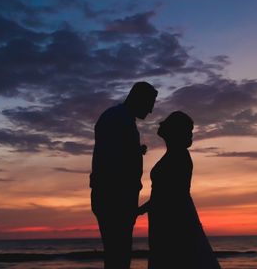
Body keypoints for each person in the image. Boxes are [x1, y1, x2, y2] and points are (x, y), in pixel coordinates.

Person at [138, 111, 221, 269]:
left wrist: (139, 211)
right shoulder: (174, 155)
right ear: (177, 132)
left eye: (191, 132)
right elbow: (164, 195)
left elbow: (171, 196)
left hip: (174, 218)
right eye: (187, 132)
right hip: (166, 216)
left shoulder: (180, 157)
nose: (190, 136)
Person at [90, 81, 158, 269]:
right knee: (118, 254)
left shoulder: (120, 118)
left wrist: (136, 151)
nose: (151, 111)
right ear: (139, 99)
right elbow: (112, 160)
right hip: (114, 198)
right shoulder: (117, 119)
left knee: (117, 253)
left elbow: (115, 152)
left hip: (117, 197)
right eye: (150, 104)